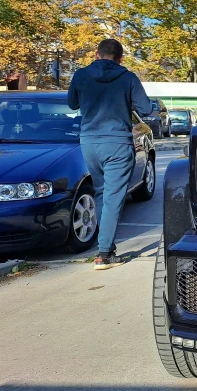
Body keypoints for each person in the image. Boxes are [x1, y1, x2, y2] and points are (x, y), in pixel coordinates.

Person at [67, 39, 153, 270]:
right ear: (121, 58)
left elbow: (72, 103)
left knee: (101, 193)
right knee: (114, 197)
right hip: (117, 143)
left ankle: (104, 245)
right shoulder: (128, 77)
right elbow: (146, 109)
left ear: (97, 54)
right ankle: (104, 254)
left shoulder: (80, 75)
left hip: (89, 142)